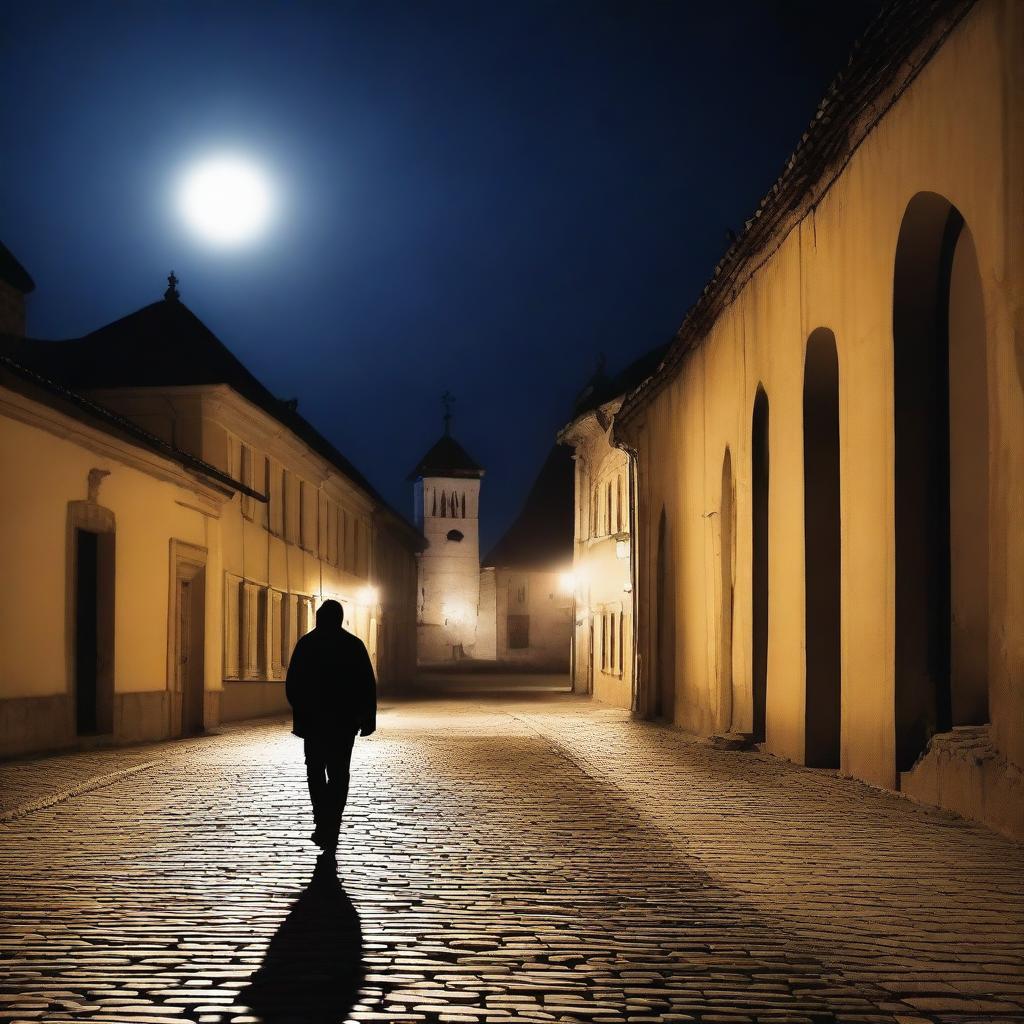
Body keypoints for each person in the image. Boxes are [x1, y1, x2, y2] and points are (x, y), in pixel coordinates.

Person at [285, 599, 376, 854]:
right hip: (343, 723)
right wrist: (367, 719)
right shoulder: (353, 646)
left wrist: (300, 711)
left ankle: (322, 818)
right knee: (339, 773)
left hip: (314, 723)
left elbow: (293, 683)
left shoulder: (306, 644)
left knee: (315, 772)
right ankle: (332, 821)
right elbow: (367, 686)